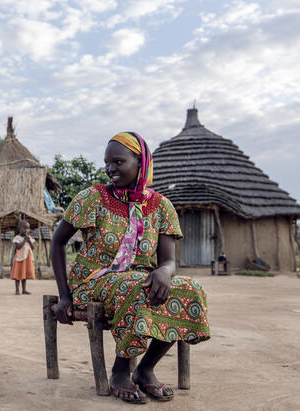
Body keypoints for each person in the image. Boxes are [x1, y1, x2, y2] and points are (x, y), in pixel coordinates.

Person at [50, 132, 210, 404]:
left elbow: (169, 261)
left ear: (141, 163)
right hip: (94, 281)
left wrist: (164, 271)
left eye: (118, 161)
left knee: (191, 290)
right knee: (137, 287)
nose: (110, 168)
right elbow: (57, 243)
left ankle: (145, 368)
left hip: (140, 280)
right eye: (107, 163)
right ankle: (120, 370)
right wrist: (64, 294)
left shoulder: (161, 206)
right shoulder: (93, 197)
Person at [10, 220, 35, 295]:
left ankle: (24, 290)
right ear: (19, 229)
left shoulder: (29, 237)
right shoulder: (17, 238)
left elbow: (33, 247)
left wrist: (29, 241)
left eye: (28, 228)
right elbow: (18, 247)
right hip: (19, 258)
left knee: (24, 274)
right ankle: (17, 290)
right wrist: (24, 240)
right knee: (18, 274)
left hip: (27, 258)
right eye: (24, 228)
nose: (26, 230)